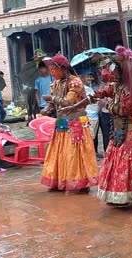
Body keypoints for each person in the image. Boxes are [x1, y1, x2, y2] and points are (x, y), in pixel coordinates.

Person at [60, 46, 132, 207]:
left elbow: (123, 110)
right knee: (115, 162)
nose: (108, 74)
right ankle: (119, 195)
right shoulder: (117, 86)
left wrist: (108, 104)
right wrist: (74, 107)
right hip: (120, 132)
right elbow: (97, 94)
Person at [40, 54, 98, 193]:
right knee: (60, 151)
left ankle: (80, 182)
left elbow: (68, 102)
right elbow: (52, 103)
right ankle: (61, 180)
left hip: (76, 121)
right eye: (51, 69)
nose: (52, 72)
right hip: (61, 121)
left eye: (54, 69)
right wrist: (47, 108)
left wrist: (52, 98)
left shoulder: (75, 82)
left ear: (63, 68)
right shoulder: (55, 83)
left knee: (75, 153)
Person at [79, 68, 102, 160]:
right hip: (89, 116)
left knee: (93, 136)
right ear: (82, 78)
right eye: (88, 77)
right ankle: (90, 154)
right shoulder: (83, 89)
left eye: (91, 76)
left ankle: (93, 153)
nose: (90, 78)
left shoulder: (91, 88)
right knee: (89, 136)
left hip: (94, 115)